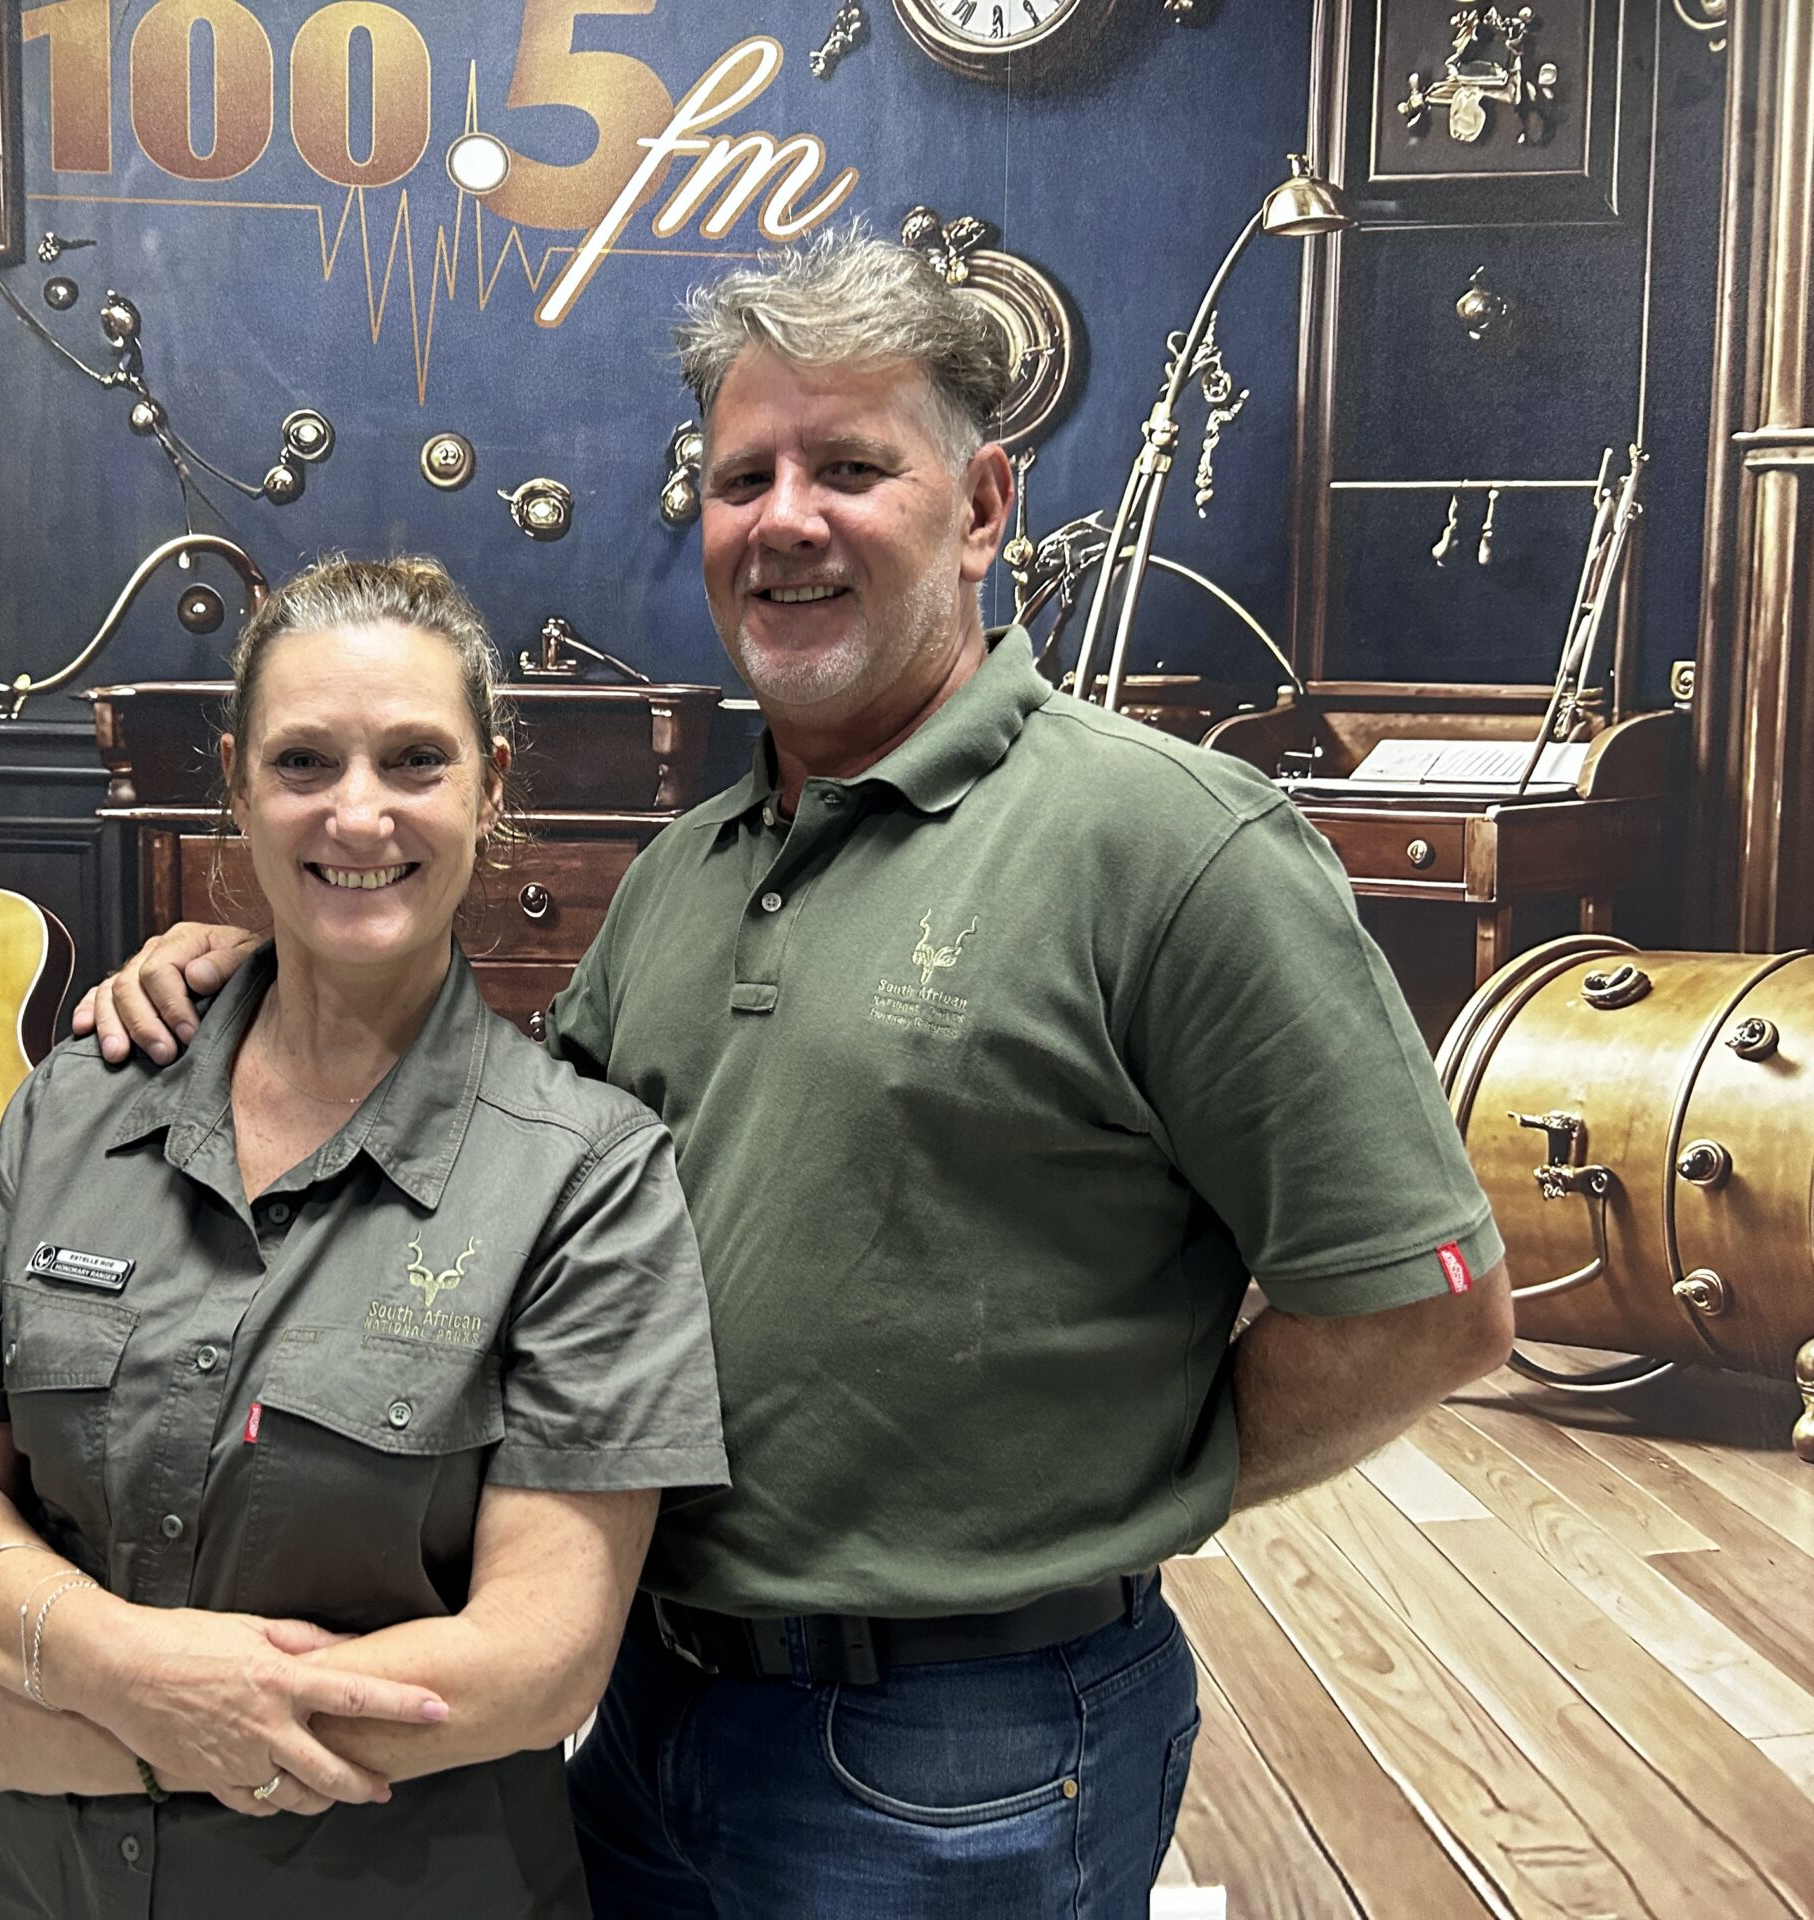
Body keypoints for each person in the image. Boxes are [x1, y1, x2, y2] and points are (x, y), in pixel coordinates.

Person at [77, 233, 1515, 1918]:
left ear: (982, 506)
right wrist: (270, 984)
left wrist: (1125, 1493)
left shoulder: (1175, 846)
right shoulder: (687, 869)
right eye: (741, 477)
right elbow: (505, 1176)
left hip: (967, 1750)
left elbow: (1425, 1313)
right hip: (643, 1700)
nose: (785, 520)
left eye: (849, 468)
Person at [0, 553, 727, 1919]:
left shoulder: (584, 1176)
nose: (357, 812)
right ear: (236, 784)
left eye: (416, 760)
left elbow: (542, 1657)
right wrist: (114, 1669)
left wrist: (127, 1751)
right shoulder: (83, 1097)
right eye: (304, 760)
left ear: (490, 787)